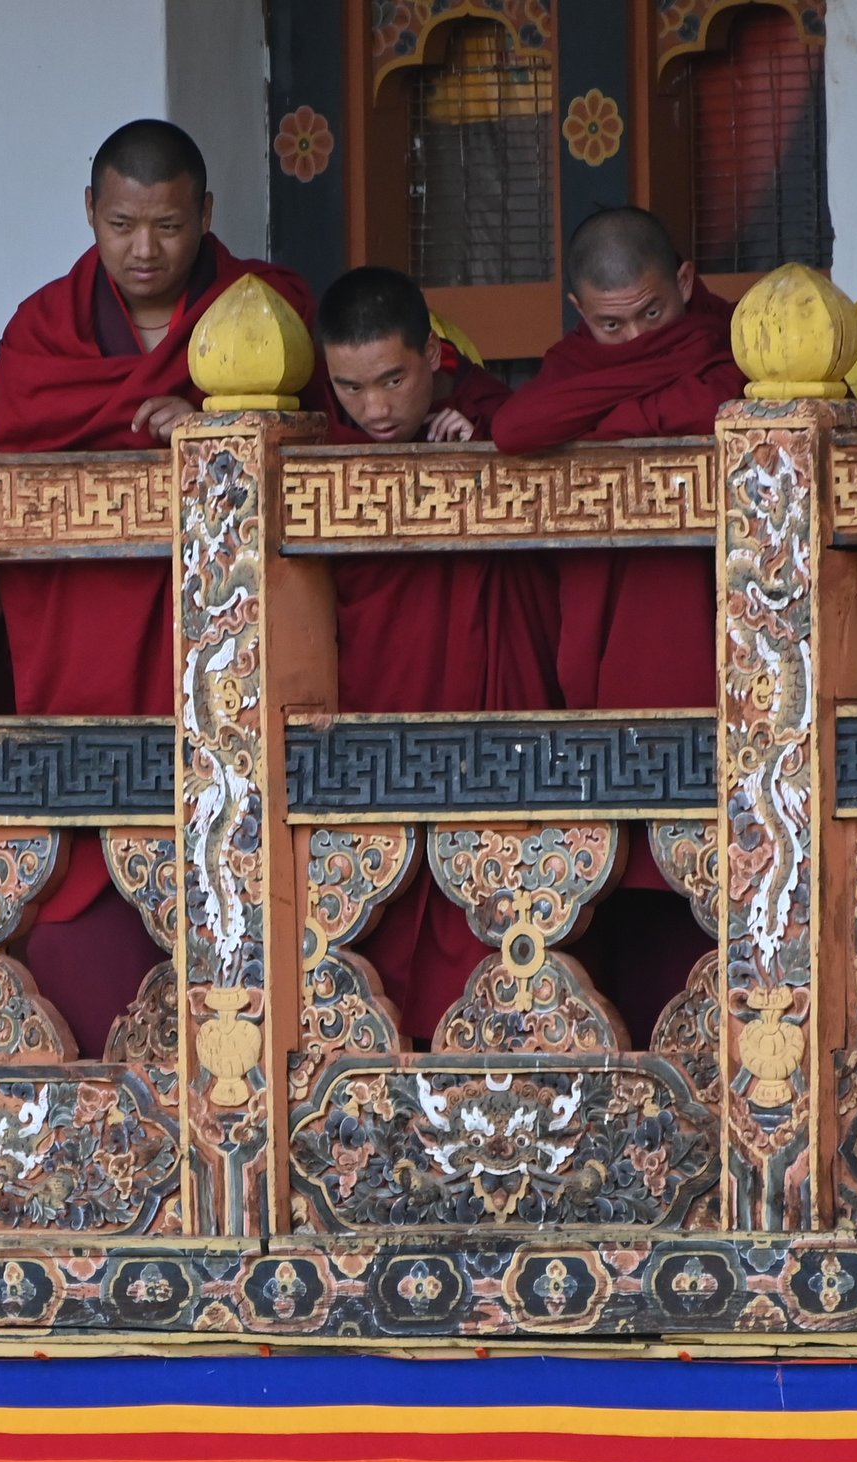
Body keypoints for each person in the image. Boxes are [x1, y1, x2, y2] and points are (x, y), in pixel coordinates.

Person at [0, 118, 315, 1056]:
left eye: (168, 226)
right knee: (93, 851)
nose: (144, 249)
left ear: (205, 216)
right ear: (90, 211)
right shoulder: (42, 330)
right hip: (85, 631)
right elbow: (16, 471)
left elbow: (326, 432)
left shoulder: (266, 307)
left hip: (225, 640)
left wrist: (218, 420)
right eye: (123, 223)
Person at [491, 207, 746, 1044]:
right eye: (609, 326)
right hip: (601, 680)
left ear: (684, 283)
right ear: (576, 311)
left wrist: (607, 408)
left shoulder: (732, 349)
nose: (633, 338)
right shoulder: (582, 367)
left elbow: (722, 404)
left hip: (722, 669)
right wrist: (641, 391)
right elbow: (516, 429)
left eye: (650, 317)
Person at [310, 266, 561, 1040]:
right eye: (351, 387)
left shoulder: (484, 408)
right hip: (364, 710)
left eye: (393, 378)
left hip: (482, 708)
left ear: (434, 355)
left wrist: (485, 455)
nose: (375, 409)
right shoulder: (313, 434)